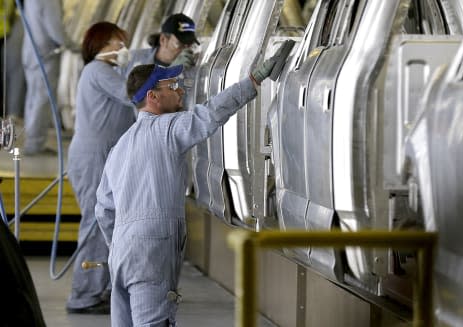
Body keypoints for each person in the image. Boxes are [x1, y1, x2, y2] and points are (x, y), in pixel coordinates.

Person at [95, 41, 290, 325]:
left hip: (121, 254)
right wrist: (254, 80)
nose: (180, 90)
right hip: (152, 250)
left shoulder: (119, 147)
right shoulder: (168, 130)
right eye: (172, 86)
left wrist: (121, 244)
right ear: (153, 96)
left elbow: (103, 209)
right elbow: (210, 114)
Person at [65, 22, 136, 315]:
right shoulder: (98, 71)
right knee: (96, 225)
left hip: (102, 157)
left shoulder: (109, 72)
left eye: (123, 43)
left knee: (106, 223)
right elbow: (132, 94)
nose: (121, 49)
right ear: (100, 46)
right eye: (116, 44)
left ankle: (99, 288)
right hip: (93, 157)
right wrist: (164, 73)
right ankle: (83, 296)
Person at [21, 0, 74, 155]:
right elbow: (54, 28)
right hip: (45, 54)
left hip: (31, 51)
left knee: (33, 97)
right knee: (42, 99)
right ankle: (35, 144)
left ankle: (32, 138)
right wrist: (72, 45)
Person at [125, 13, 197, 74]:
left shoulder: (191, 67)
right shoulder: (132, 59)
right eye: (180, 44)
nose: (186, 49)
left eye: (190, 44)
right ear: (163, 40)